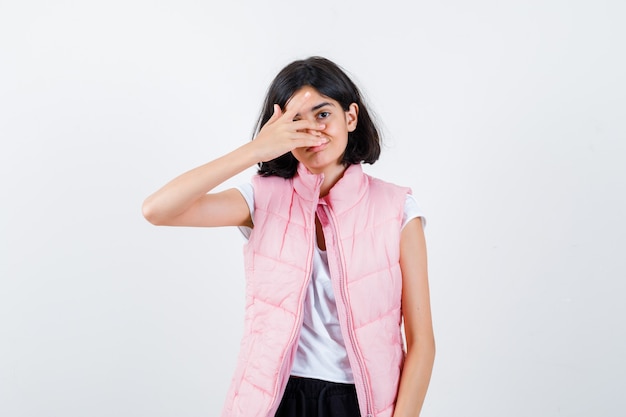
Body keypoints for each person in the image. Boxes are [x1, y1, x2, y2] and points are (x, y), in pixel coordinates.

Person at [142, 56, 435, 417]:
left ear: (351, 117)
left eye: (323, 114)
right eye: (296, 120)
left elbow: (421, 343)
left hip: (358, 402)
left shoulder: (397, 208)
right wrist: (256, 151)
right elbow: (158, 209)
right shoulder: (263, 198)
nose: (311, 131)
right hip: (272, 400)